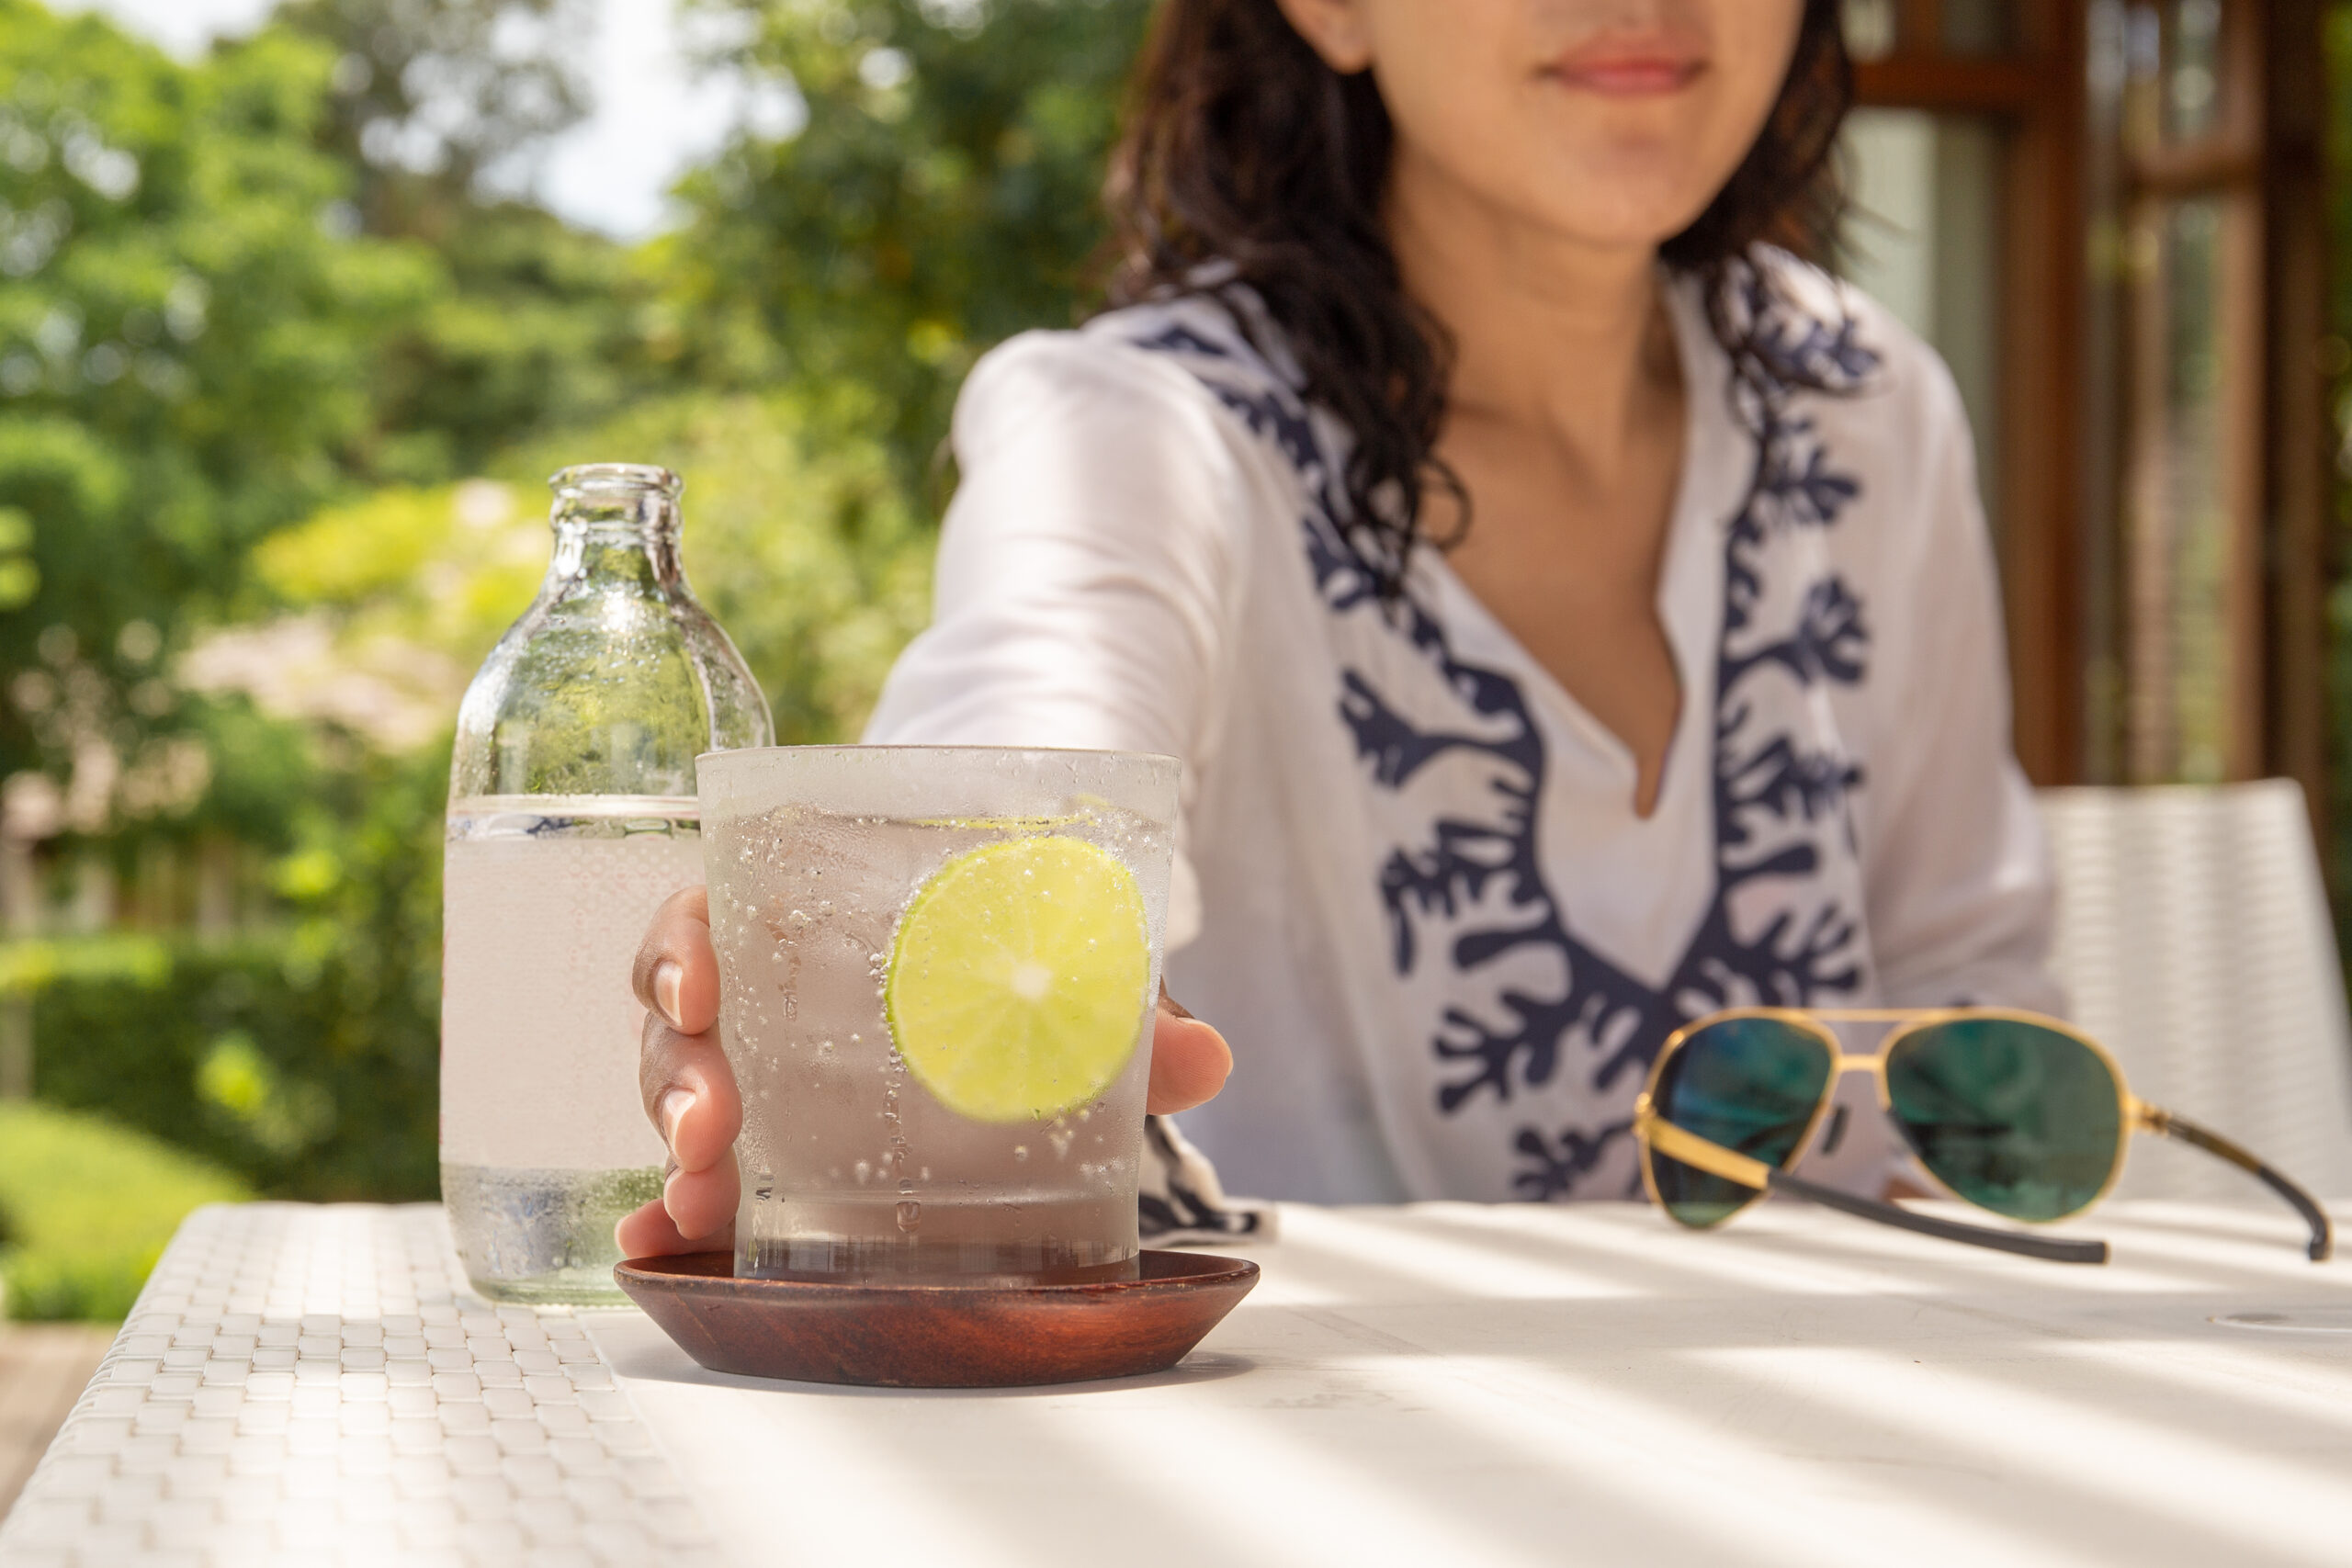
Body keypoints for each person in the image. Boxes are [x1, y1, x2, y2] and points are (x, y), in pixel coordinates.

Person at [618, 0, 2059, 1258]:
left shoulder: (1867, 411)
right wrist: (881, 935)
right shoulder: (1140, 432)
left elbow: (1972, 990)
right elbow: (1022, 786)